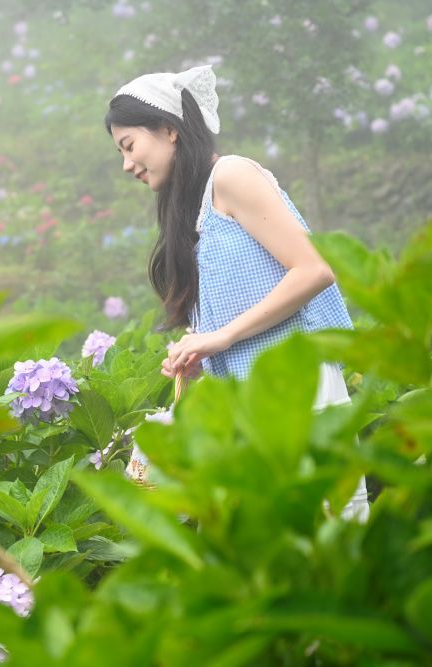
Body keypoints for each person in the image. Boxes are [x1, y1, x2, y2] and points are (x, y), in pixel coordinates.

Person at [105, 64, 369, 522]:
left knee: (329, 541)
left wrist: (219, 336)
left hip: (299, 387)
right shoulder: (195, 210)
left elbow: (313, 270)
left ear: (169, 130)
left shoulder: (231, 174)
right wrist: (200, 349)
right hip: (255, 402)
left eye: (129, 146)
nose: (127, 164)